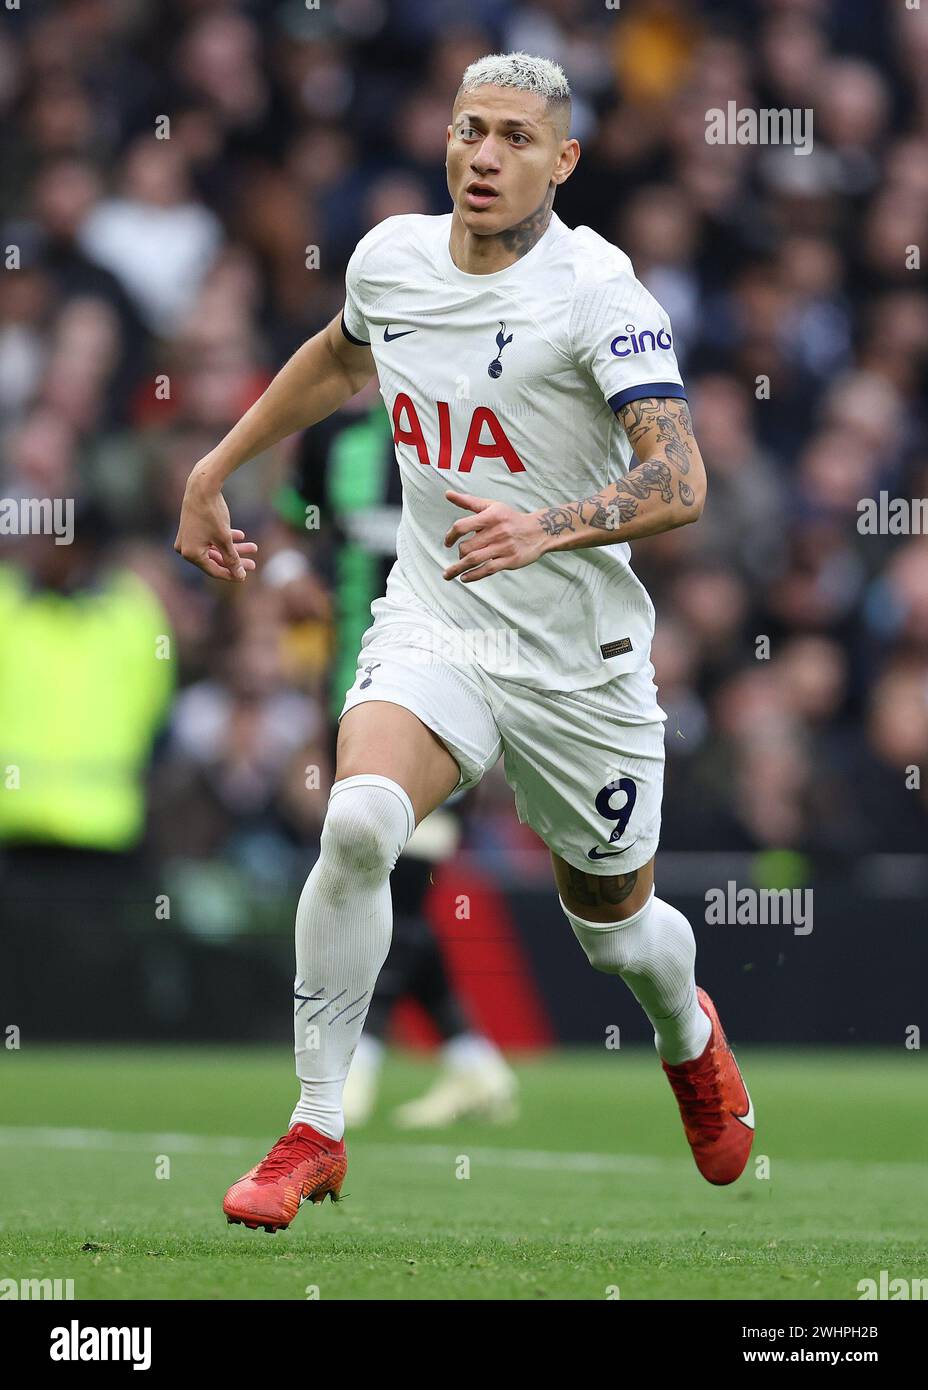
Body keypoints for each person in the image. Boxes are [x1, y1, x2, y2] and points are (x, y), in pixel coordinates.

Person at [174, 51, 754, 1234]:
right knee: (358, 821)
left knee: (618, 937)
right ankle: (315, 1129)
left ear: (563, 160)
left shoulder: (600, 292)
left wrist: (543, 525)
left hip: (577, 663)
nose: (484, 157)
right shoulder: (390, 256)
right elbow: (343, 356)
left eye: (515, 139)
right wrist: (218, 465)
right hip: (437, 619)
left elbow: (681, 477)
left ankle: (688, 1035)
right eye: (468, 131)